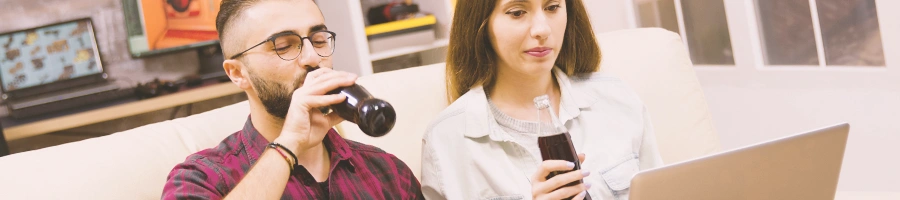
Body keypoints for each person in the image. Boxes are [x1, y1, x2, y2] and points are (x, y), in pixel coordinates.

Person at [161, 0, 422, 199]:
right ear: (238, 73)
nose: (312, 57)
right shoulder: (202, 178)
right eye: (284, 46)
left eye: (319, 40)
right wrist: (289, 146)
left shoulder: (387, 171)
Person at [421, 0, 663, 199]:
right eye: (517, 13)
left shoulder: (616, 99)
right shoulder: (445, 142)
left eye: (552, 8)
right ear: (481, 24)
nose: (542, 30)